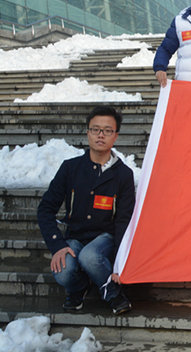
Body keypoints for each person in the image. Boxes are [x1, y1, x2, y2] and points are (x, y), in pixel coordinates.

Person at [37, 106, 136, 315]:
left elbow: (124, 220)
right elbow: (45, 209)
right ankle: (79, 287)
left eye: (107, 130)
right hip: (75, 237)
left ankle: (113, 293)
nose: (101, 135)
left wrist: (120, 262)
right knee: (63, 270)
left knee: (89, 256)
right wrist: (57, 245)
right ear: (87, 133)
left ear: (116, 136)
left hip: (105, 238)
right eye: (95, 129)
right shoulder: (70, 168)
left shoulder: (123, 175)